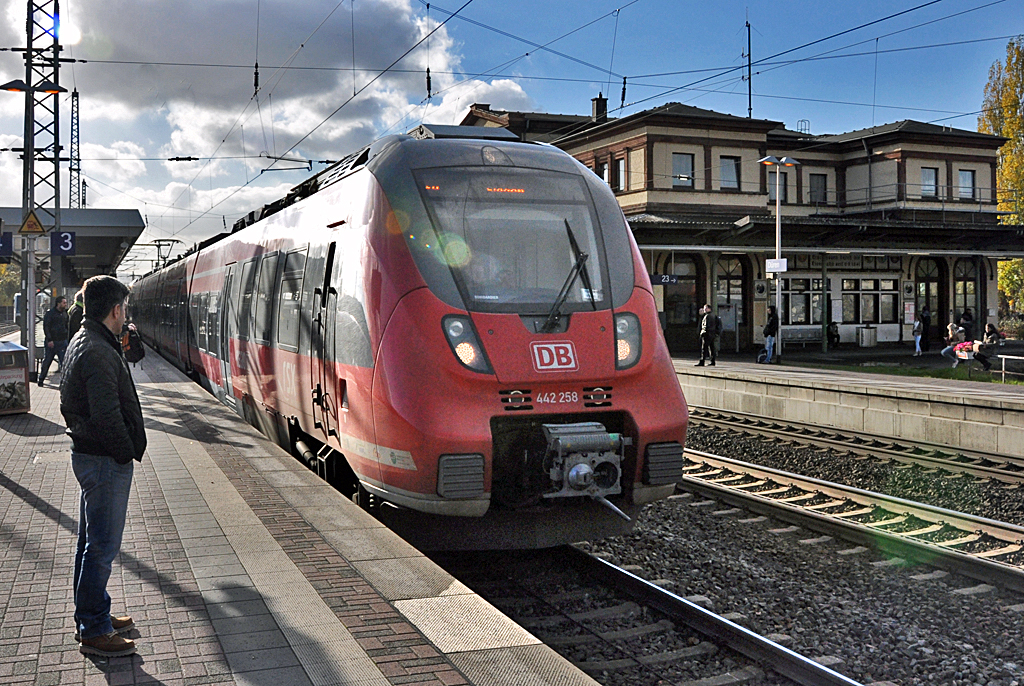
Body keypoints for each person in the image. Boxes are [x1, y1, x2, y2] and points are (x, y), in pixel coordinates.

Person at [60, 275, 146, 658]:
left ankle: (95, 613)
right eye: (124, 307)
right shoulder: (97, 349)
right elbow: (107, 413)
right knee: (101, 547)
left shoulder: (86, 339)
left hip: (91, 455)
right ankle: (94, 629)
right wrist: (124, 451)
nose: (125, 313)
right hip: (103, 460)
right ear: (115, 309)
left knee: (90, 543)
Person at [39, 295, 69, 386]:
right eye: (64, 303)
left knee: (64, 363)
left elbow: (66, 325)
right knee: (47, 361)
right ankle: (41, 379)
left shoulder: (65, 314)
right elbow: (46, 327)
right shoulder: (50, 314)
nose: (65, 304)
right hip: (52, 342)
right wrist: (49, 339)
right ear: (58, 303)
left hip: (62, 341)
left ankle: (64, 382)